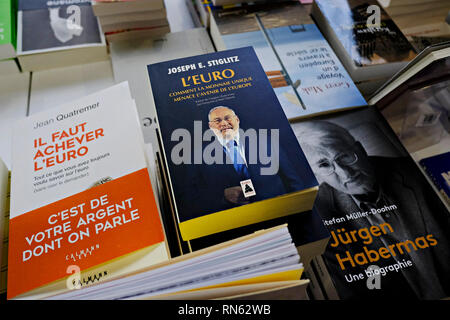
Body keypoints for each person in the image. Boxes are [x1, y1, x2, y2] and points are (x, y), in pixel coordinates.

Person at [295, 119, 450, 299]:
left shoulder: (415, 171)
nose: (346, 173)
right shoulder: (317, 214)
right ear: (316, 174)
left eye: (344, 156)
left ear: (359, 150)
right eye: (324, 165)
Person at [178, 105, 306, 220]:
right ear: (211, 127)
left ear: (237, 120)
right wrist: (222, 197)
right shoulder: (197, 156)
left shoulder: (267, 142)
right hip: (233, 224)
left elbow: (293, 181)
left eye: (228, 118)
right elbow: (190, 199)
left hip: (280, 215)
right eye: (217, 121)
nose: (224, 123)